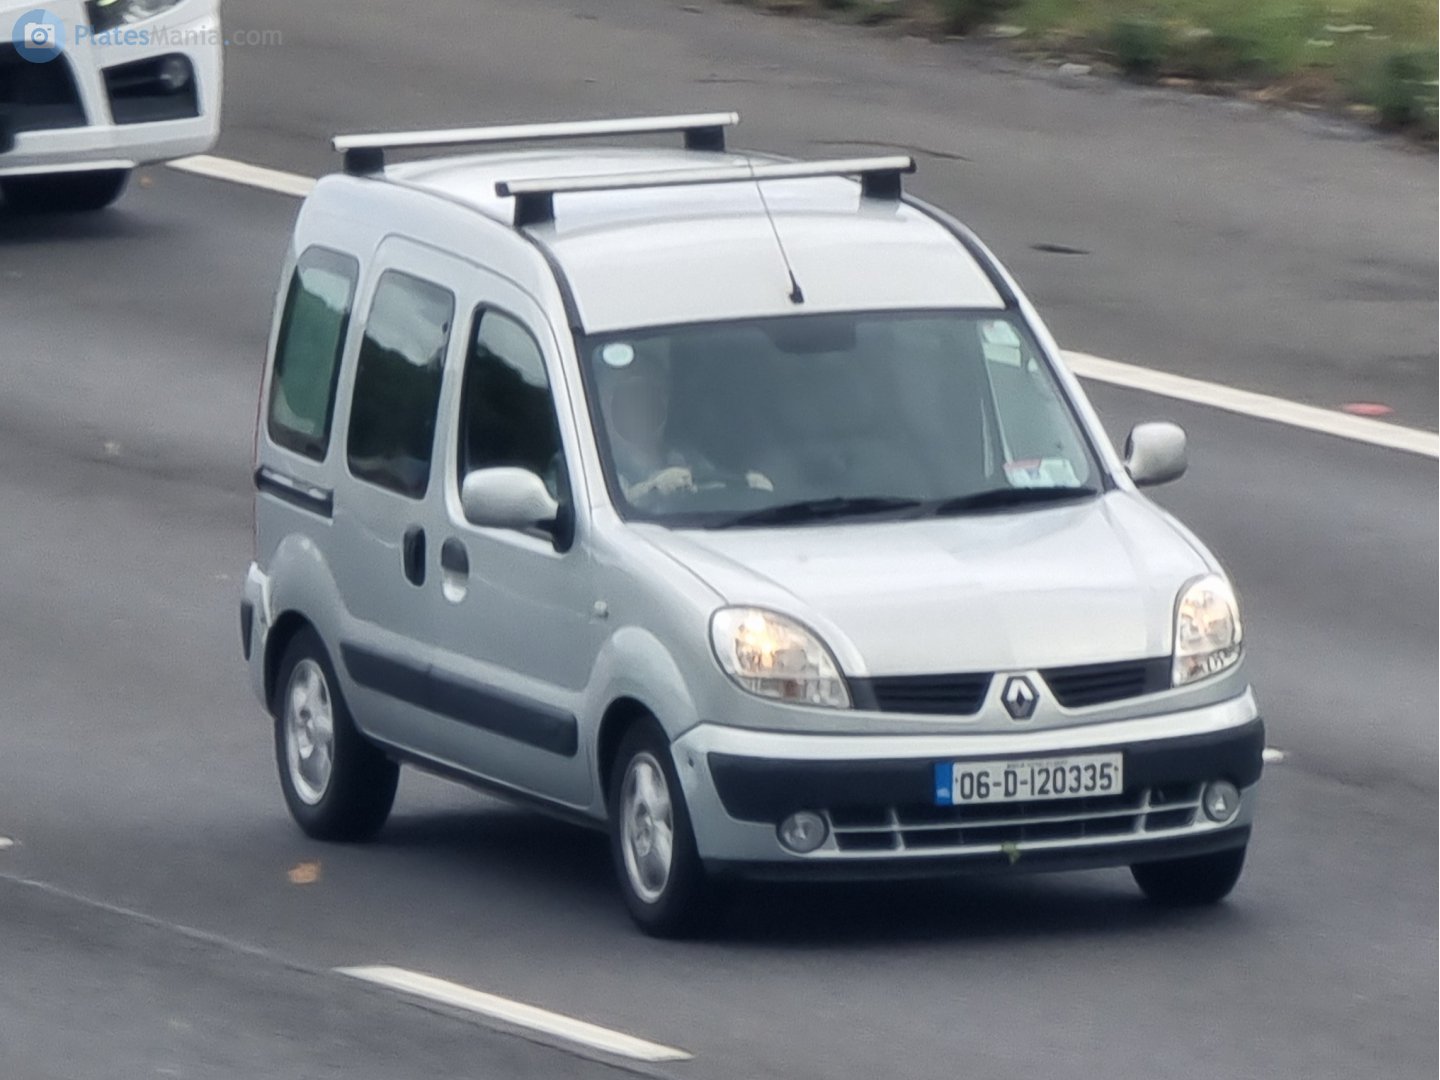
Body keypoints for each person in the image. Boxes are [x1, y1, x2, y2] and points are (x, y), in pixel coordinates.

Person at [596, 341, 772, 504]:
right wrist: (653, 490)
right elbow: (605, 512)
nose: (641, 402)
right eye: (627, 392)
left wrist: (744, 484)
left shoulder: (687, 458)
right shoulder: (594, 465)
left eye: (652, 391)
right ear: (599, 402)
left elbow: (713, 488)